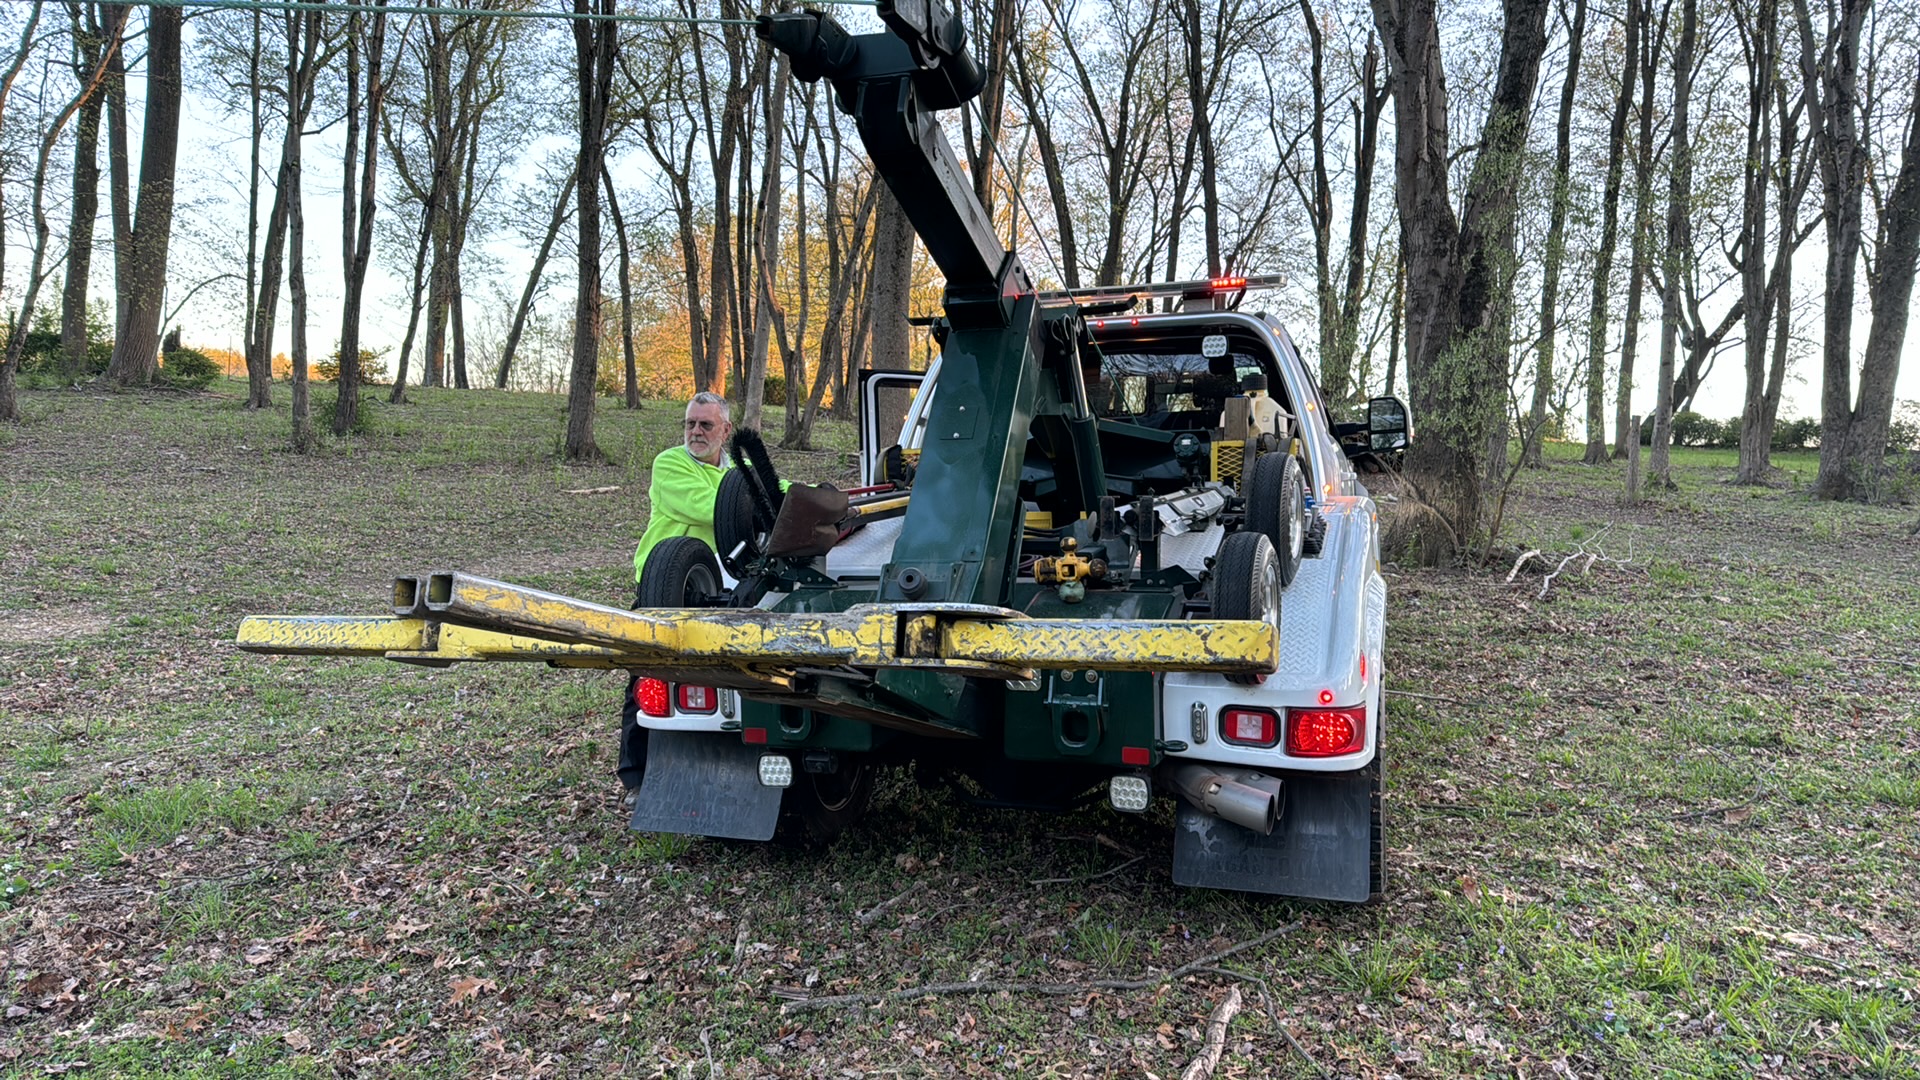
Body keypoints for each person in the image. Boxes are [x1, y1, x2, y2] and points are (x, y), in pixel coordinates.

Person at [632, 391, 735, 587]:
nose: (696, 431)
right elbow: (712, 509)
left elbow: (776, 487)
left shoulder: (738, 469)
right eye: (690, 424)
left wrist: (807, 493)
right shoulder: (669, 463)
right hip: (665, 578)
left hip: (716, 577)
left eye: (706, 425)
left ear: (726, 430)